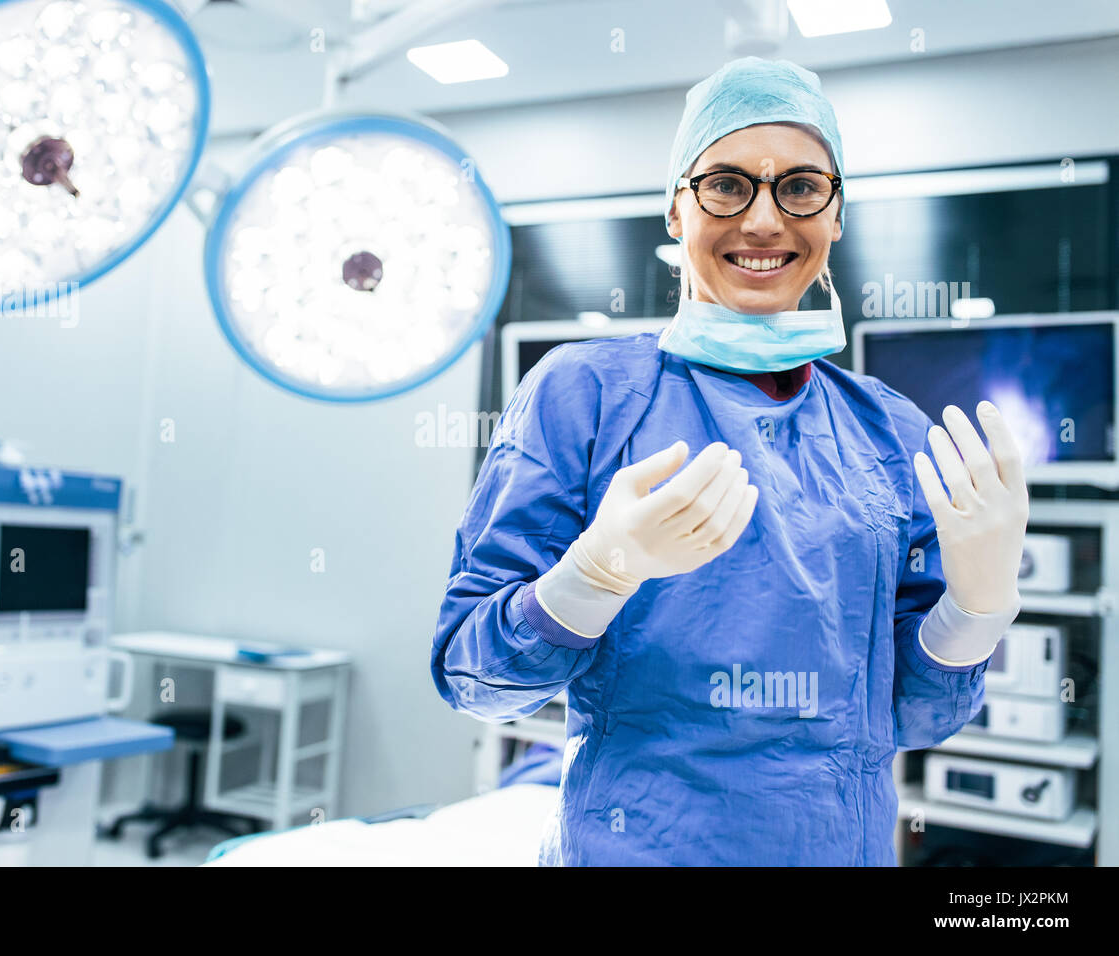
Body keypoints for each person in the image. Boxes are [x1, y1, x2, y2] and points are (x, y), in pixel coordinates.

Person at [430, 58, 1029, 866]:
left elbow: (916, 719)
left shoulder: (890, 431)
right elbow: (476, 676)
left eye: (801, 188)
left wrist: (977, 607)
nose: (763, 221)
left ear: (837, 213)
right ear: (677, 208)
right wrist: (594, 576)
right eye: (726, 185)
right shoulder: (587, 394)